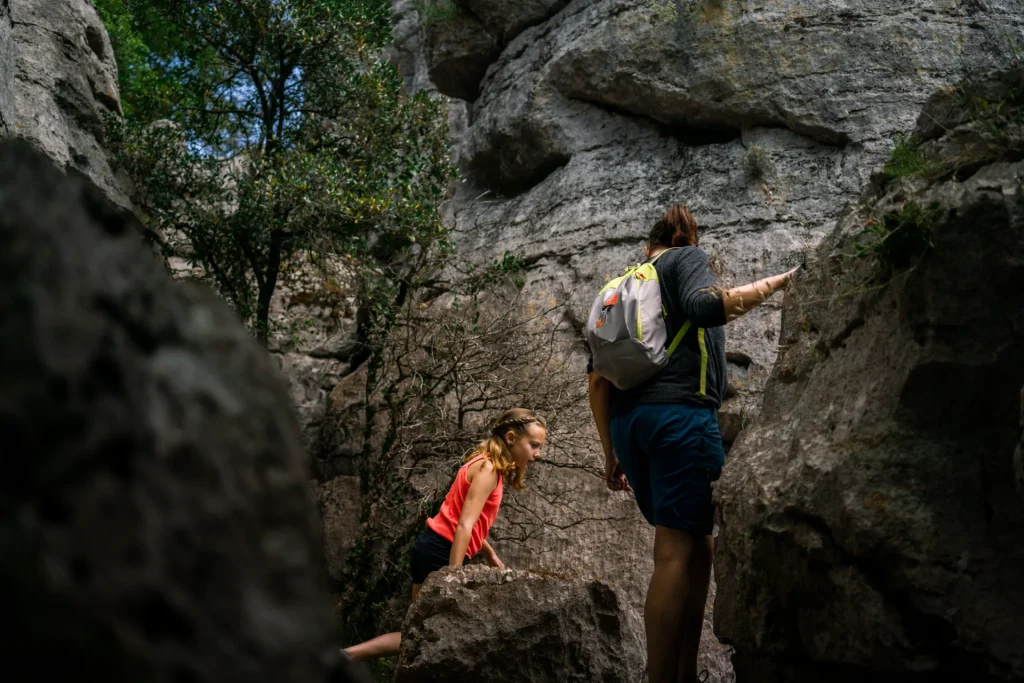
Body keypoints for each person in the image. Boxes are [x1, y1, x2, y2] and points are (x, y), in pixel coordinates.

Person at [587, 204, 797, 683]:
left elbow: (597, 381)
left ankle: (683, 672)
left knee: (695, 542)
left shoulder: (624, 290)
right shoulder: (684, 259)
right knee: (675, 551)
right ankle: (662, 676)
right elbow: (706, 306)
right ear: (687, 239)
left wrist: (609, 451)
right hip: (680, 418)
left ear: (646, 247)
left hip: (630, 426)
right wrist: (778, 283)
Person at [342, 408, 548, 662]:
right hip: (441, 552)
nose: (538, 454)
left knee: (415, 632)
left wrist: (489, 552)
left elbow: (465, 520)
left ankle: (344, 657)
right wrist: (455, 575)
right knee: (425, 632)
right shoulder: (488, 469)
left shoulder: (481, 462)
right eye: (534, 445)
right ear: (510, 438)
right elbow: (464, 525)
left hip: (431, 546)